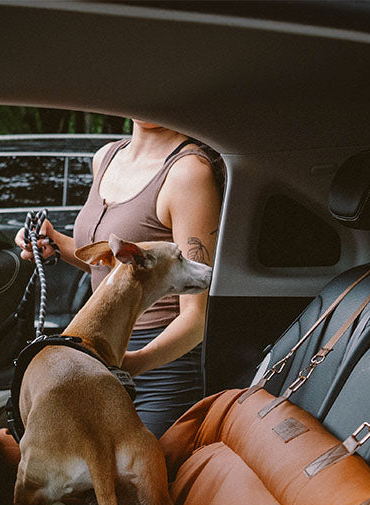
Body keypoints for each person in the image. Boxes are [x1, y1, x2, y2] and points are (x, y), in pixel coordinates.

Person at [16, 121, 223, 438]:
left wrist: (134, 364)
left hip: (159, 363)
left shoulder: (188, 173)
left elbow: (197, 316)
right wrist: (54, 242)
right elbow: (109, 270)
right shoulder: (106, 157)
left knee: (136, 482)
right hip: (99, 350)